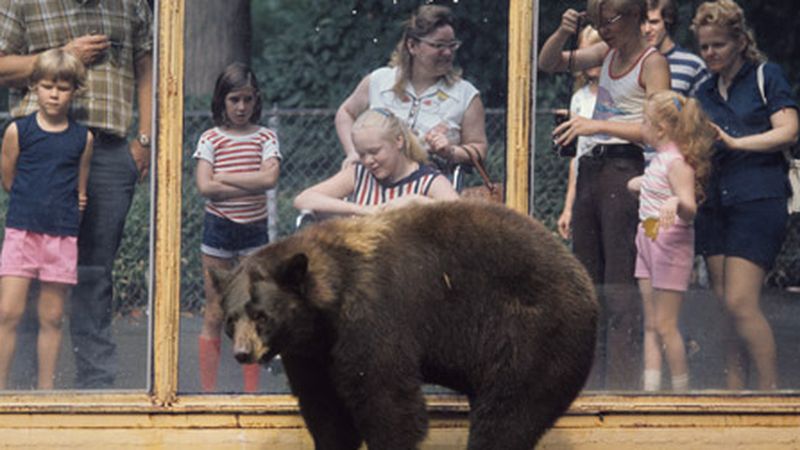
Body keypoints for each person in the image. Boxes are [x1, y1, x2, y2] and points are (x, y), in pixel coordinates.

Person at [0, 0, 153, 389]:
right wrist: (62, 56)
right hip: (42, 146)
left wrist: (146, 139)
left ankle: (95, 388)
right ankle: (22, 389)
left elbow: (147, 67)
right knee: (28, 276)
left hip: (107, 149)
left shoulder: (131, 3)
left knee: (94, 273)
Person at [539, 0, 670, 389]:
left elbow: (657, 128)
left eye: (610, 20)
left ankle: (623, 384)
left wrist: (595, 124)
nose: (604, 28)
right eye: (598, 21)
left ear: (634, 16)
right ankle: (590, 380)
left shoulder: (652, 63)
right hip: (593, 169)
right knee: (587, 280)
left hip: (624, 169)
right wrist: (564, 31)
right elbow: (548, 63)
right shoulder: (606, 52)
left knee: (620, 283)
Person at [691, 0, 799, 390]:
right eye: (704, 46)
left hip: (758, 199)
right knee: (724, 309)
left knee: (741, 302)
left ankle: (770, 393)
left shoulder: (765, 76)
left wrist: (738, 144)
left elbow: (789, 130)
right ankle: (734, 390)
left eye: (718, 44)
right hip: (714, 203)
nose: (710, 53)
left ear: (739, 40)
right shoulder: (703, 90)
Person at [0, 49, 93, 390]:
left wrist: (66, 212)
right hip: (22, 233)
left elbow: (81, 191)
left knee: (51, 317)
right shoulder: (17, 131)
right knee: (8, 313)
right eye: (47, 86)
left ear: (74, 91)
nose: (54, 94)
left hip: (61, 237)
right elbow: (9, 179)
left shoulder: (83, 138)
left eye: (63, 87)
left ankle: (46, 393)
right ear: (34, 88)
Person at [194, 63, 281, 393]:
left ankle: (251, 394)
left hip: (253, 231)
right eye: (234, 100)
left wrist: (225, 178)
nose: (241, 107)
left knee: (253, 308)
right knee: (215, 310)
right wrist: (249, 183)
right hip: (219, 228)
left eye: (247, 99)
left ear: (255, 100)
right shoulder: (211, 138)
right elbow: (205, 186)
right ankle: (207, 393)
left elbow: (269, 179)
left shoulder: (265, 137)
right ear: (222, 101)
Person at [335, 4, 487, 179]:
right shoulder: (379, 81)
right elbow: (345, 113)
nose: (447, 53)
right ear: (412, 46)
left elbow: (479, 148)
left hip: (432, 191)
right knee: (313, 201)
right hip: (374, 184)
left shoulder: (466, 95)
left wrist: (451, 151)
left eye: (452, 45)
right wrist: (353, 153)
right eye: (438, 45)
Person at [626, 90, 714, 391]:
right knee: (651, 324)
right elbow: (655, 188)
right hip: (648, 237)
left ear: (660, 129)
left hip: (669, 242)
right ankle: (650, 389)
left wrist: (675, 202)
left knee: (666, 325)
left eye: (645, 121)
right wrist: (641, 185)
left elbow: (690, 207)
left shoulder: (677, 163)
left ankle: (681, 390)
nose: (642, 126)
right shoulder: (659, 161)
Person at [294, 108, 459, 216]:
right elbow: (304, 199)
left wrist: (417, 202)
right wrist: (364, 210)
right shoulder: (358, 174)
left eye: (374, 152)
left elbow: (462, 216)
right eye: (361, 154)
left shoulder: (429, 181)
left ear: (398, 141)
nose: (368, 161)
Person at [557, 25, 602, 240]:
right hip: (585, 182)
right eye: (584, 53)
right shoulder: (579, 98)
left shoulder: (620, 94)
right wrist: (568, 208)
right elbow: (575, 158)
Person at [643, 0, 708, 97]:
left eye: (654, 22)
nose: (647, 29)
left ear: (668, 21)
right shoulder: (631, 63)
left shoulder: (692, 65)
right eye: (642, 23)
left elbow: (706, 109)